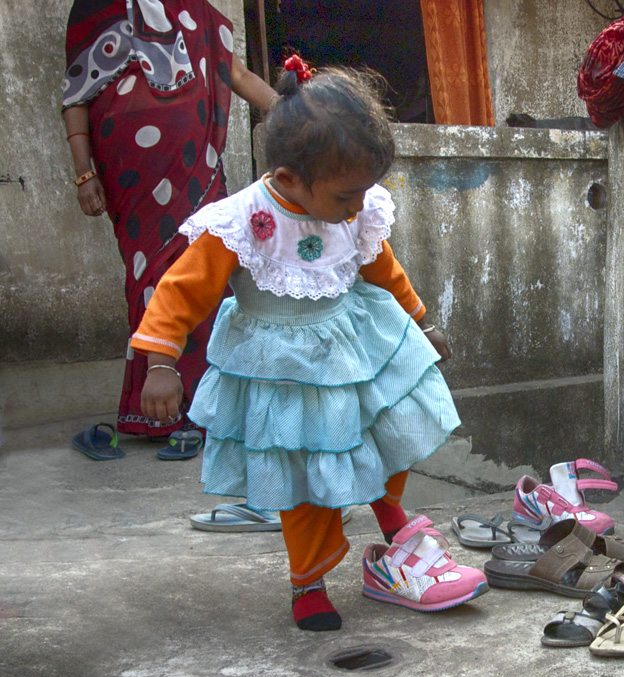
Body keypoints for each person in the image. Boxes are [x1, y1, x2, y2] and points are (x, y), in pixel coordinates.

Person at [127, 56, 488, 630]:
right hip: (284, 371)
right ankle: (309, 583)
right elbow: (181, 293)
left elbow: (380, 265)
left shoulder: (353, 204)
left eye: (363, 194)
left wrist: (418, 319)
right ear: (291, 179)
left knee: (385, 428)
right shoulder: (239, 224)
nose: (356, 209)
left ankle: (391, 512)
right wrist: (160, 362)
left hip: (352, 345)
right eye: (346, 197)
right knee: (306, 478)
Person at [61, 0, 277, 452]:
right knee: (151, 278)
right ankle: (157, 406)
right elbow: (77, 94)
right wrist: (85, 174)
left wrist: (294, 110)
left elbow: (235, 75)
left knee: (208, 272)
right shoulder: (97, 6)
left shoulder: (195, 9)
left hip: (197, 162)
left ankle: (212, 405)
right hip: (132, 169)